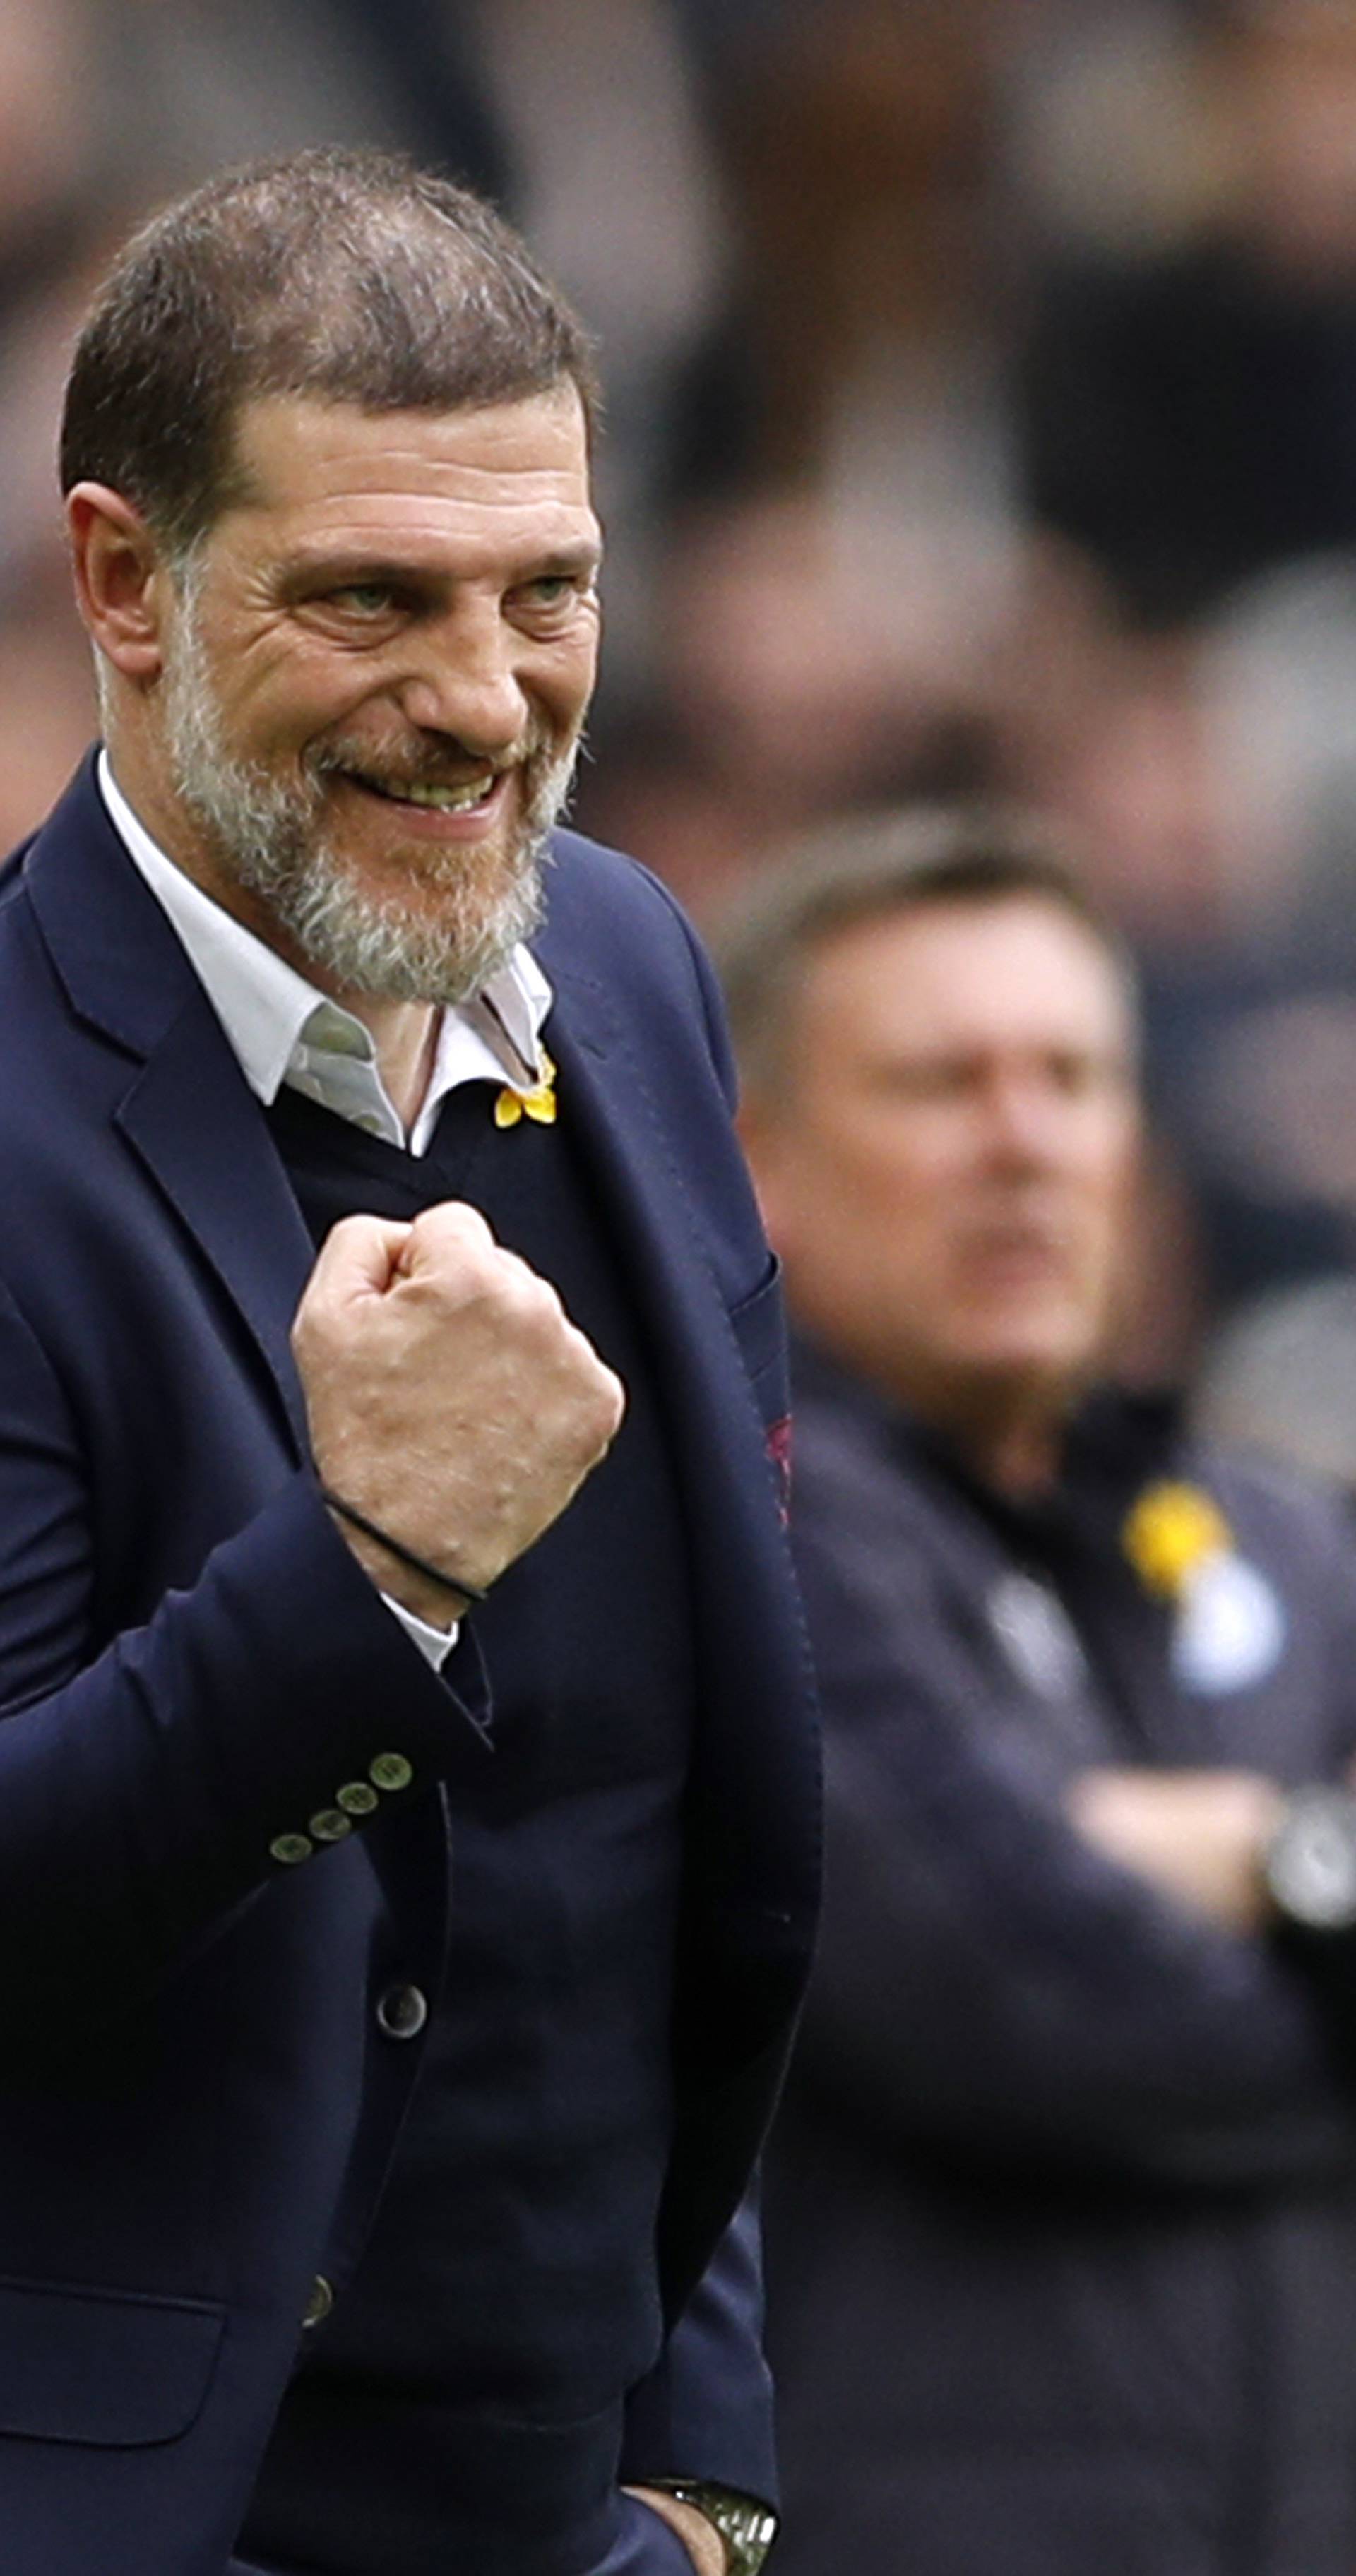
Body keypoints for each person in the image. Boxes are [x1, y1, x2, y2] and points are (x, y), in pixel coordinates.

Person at [0, 148, 818, 2576]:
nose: (480, 696)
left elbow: (694, 1826)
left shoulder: (646, 974)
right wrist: (369, 1578)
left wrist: (711, 2469)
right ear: (124, 582)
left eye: (544, 590)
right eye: (371, 596)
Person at [719, 809, 1356, 2576]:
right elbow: (1020, 1999)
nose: (1022, 1146)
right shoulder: (736, 1539)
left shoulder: (1283, 1537)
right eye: (939, 1085)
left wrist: (1268, 1866)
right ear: (754, 1152)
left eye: (1070, 1078)